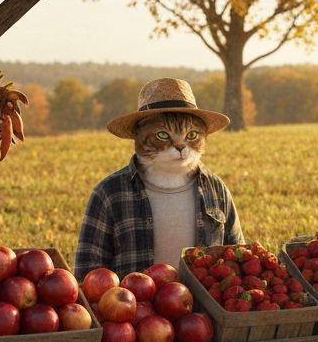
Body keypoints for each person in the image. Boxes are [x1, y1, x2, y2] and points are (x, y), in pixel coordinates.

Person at [74, 78, 244, 279]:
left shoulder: (217, 190)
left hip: (205, 309)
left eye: (191, 135)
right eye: (164, 135)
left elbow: (240, 262)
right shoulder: (109, 193)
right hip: (135, 308)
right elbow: (86, 276)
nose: (180, 146)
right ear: (138, 136)